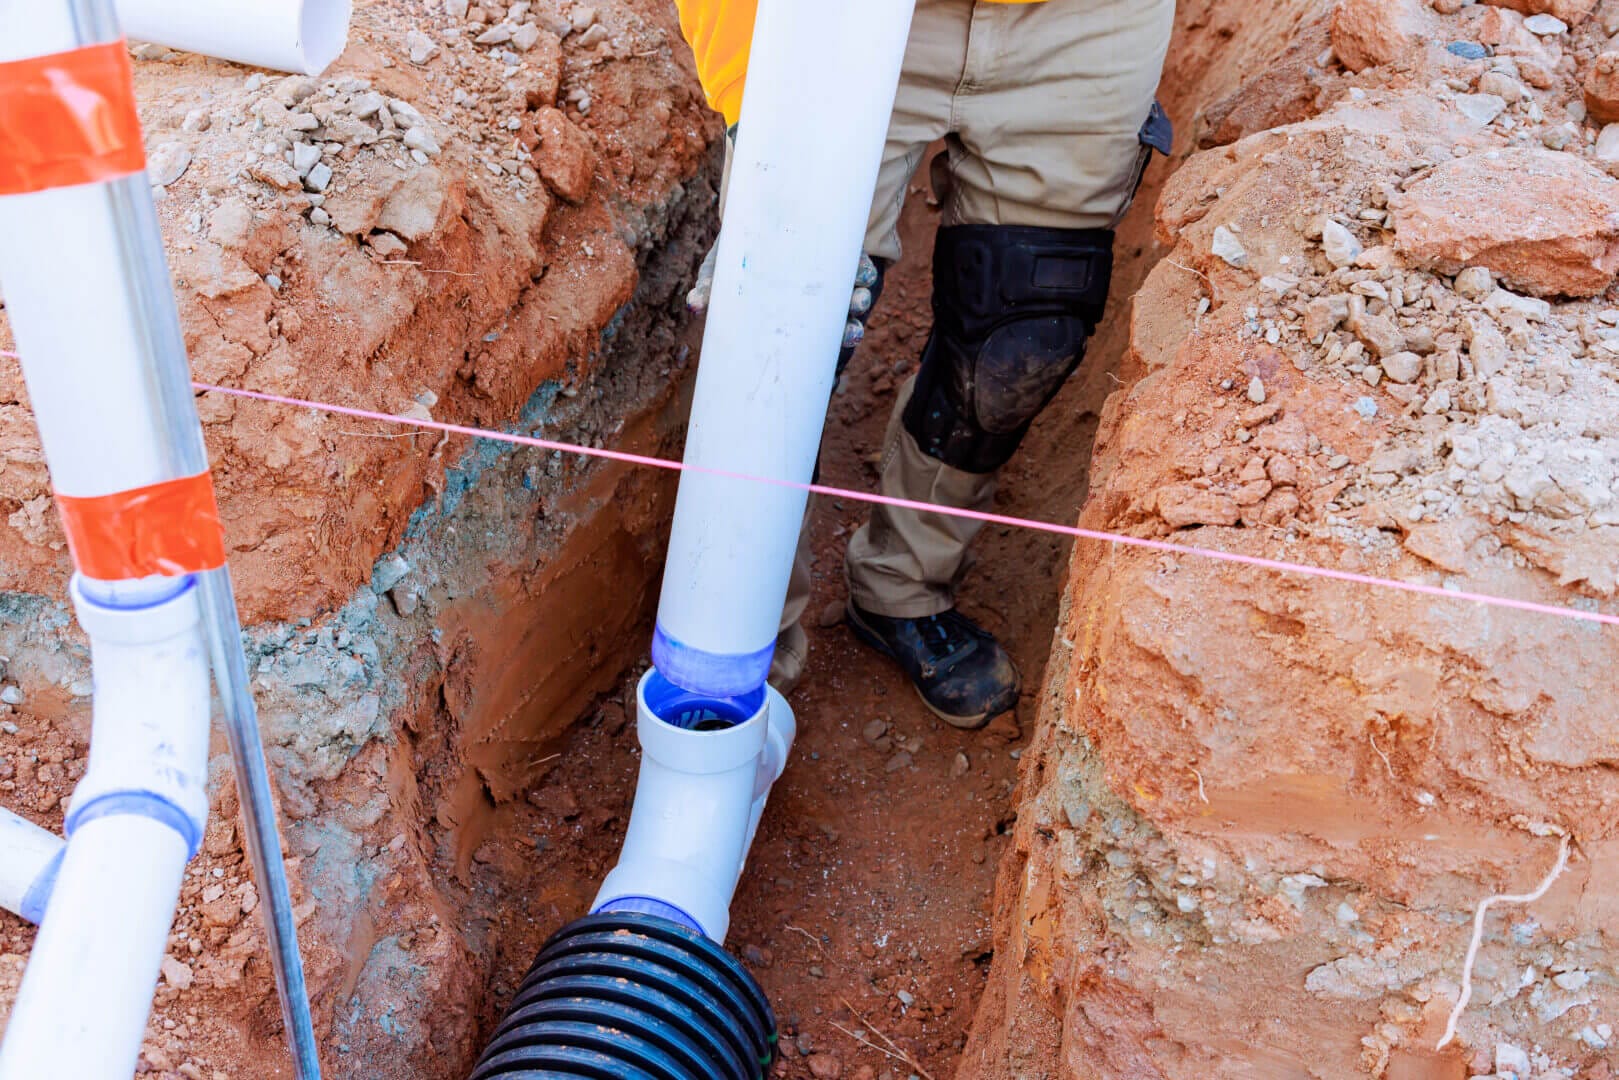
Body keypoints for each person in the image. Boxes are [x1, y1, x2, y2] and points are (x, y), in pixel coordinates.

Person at [677, 0, 1175, 728]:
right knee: (776, 332)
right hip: (838, 16)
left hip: (1082, 22)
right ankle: (738, 649)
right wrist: (764, 119)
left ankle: (902, 589)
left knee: (1019, 340)